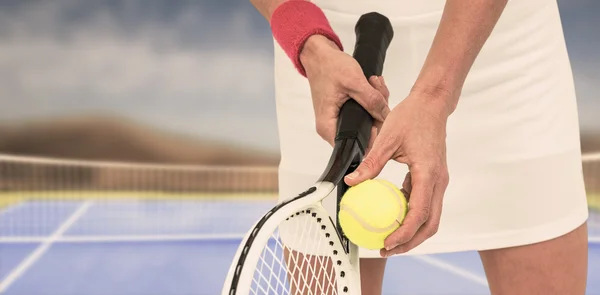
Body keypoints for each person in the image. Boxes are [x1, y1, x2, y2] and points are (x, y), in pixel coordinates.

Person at [250, 0, 589, 294]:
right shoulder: (315, 52)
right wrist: (306, 40)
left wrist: (436, 94)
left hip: (500, 39)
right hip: (325, 57)